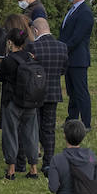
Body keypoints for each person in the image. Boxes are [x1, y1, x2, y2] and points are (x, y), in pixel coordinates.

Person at [0, 26, 41, 180]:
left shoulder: (9, 60)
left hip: (12, 101)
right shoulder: (30, 57)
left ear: (10, 42)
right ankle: (34, 167)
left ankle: (11, 169)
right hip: (30, 100)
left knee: (11, 134)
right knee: (31, 134)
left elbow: (0, 77)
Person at [27, 17, 69, 171]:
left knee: (35, 126)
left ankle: (33, 156)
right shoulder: (62, 47)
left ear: (35, 31)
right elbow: (63, 70)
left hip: (35, 93)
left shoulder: (33, 47)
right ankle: (48, 162)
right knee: (49, 128)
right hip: (53, 91)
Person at [61, 0, 94, 129]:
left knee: (81, 92)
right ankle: (72, 119)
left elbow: (77, 37)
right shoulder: (72, 9)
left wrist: (62, 49)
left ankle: (86, 123)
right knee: (72, 92)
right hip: (70, 58)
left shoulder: (85, 12)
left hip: (78, 58)